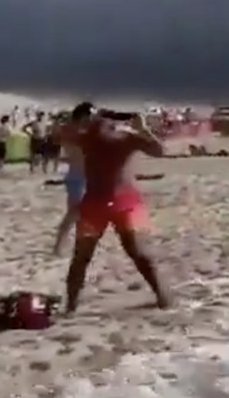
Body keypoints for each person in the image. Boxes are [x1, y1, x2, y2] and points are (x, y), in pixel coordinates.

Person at [64, 109, 172, 314]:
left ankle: (163, 297)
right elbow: (159, 150)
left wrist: (143, 130)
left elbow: (159, 151)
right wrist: (142, 130)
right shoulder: (101, 137)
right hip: (103, 202)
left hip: (118, 202)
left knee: (135, 252)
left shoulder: (117, 138)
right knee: (85, 256)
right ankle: (70, 306)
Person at [52, 103, 93, 255]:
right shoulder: (72, 131)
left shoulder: (79, 130)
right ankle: (58, 246)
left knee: (81, 213)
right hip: (76, 175)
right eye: (90, 115)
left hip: (84, 175)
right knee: (73, 213)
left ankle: (73, 244)